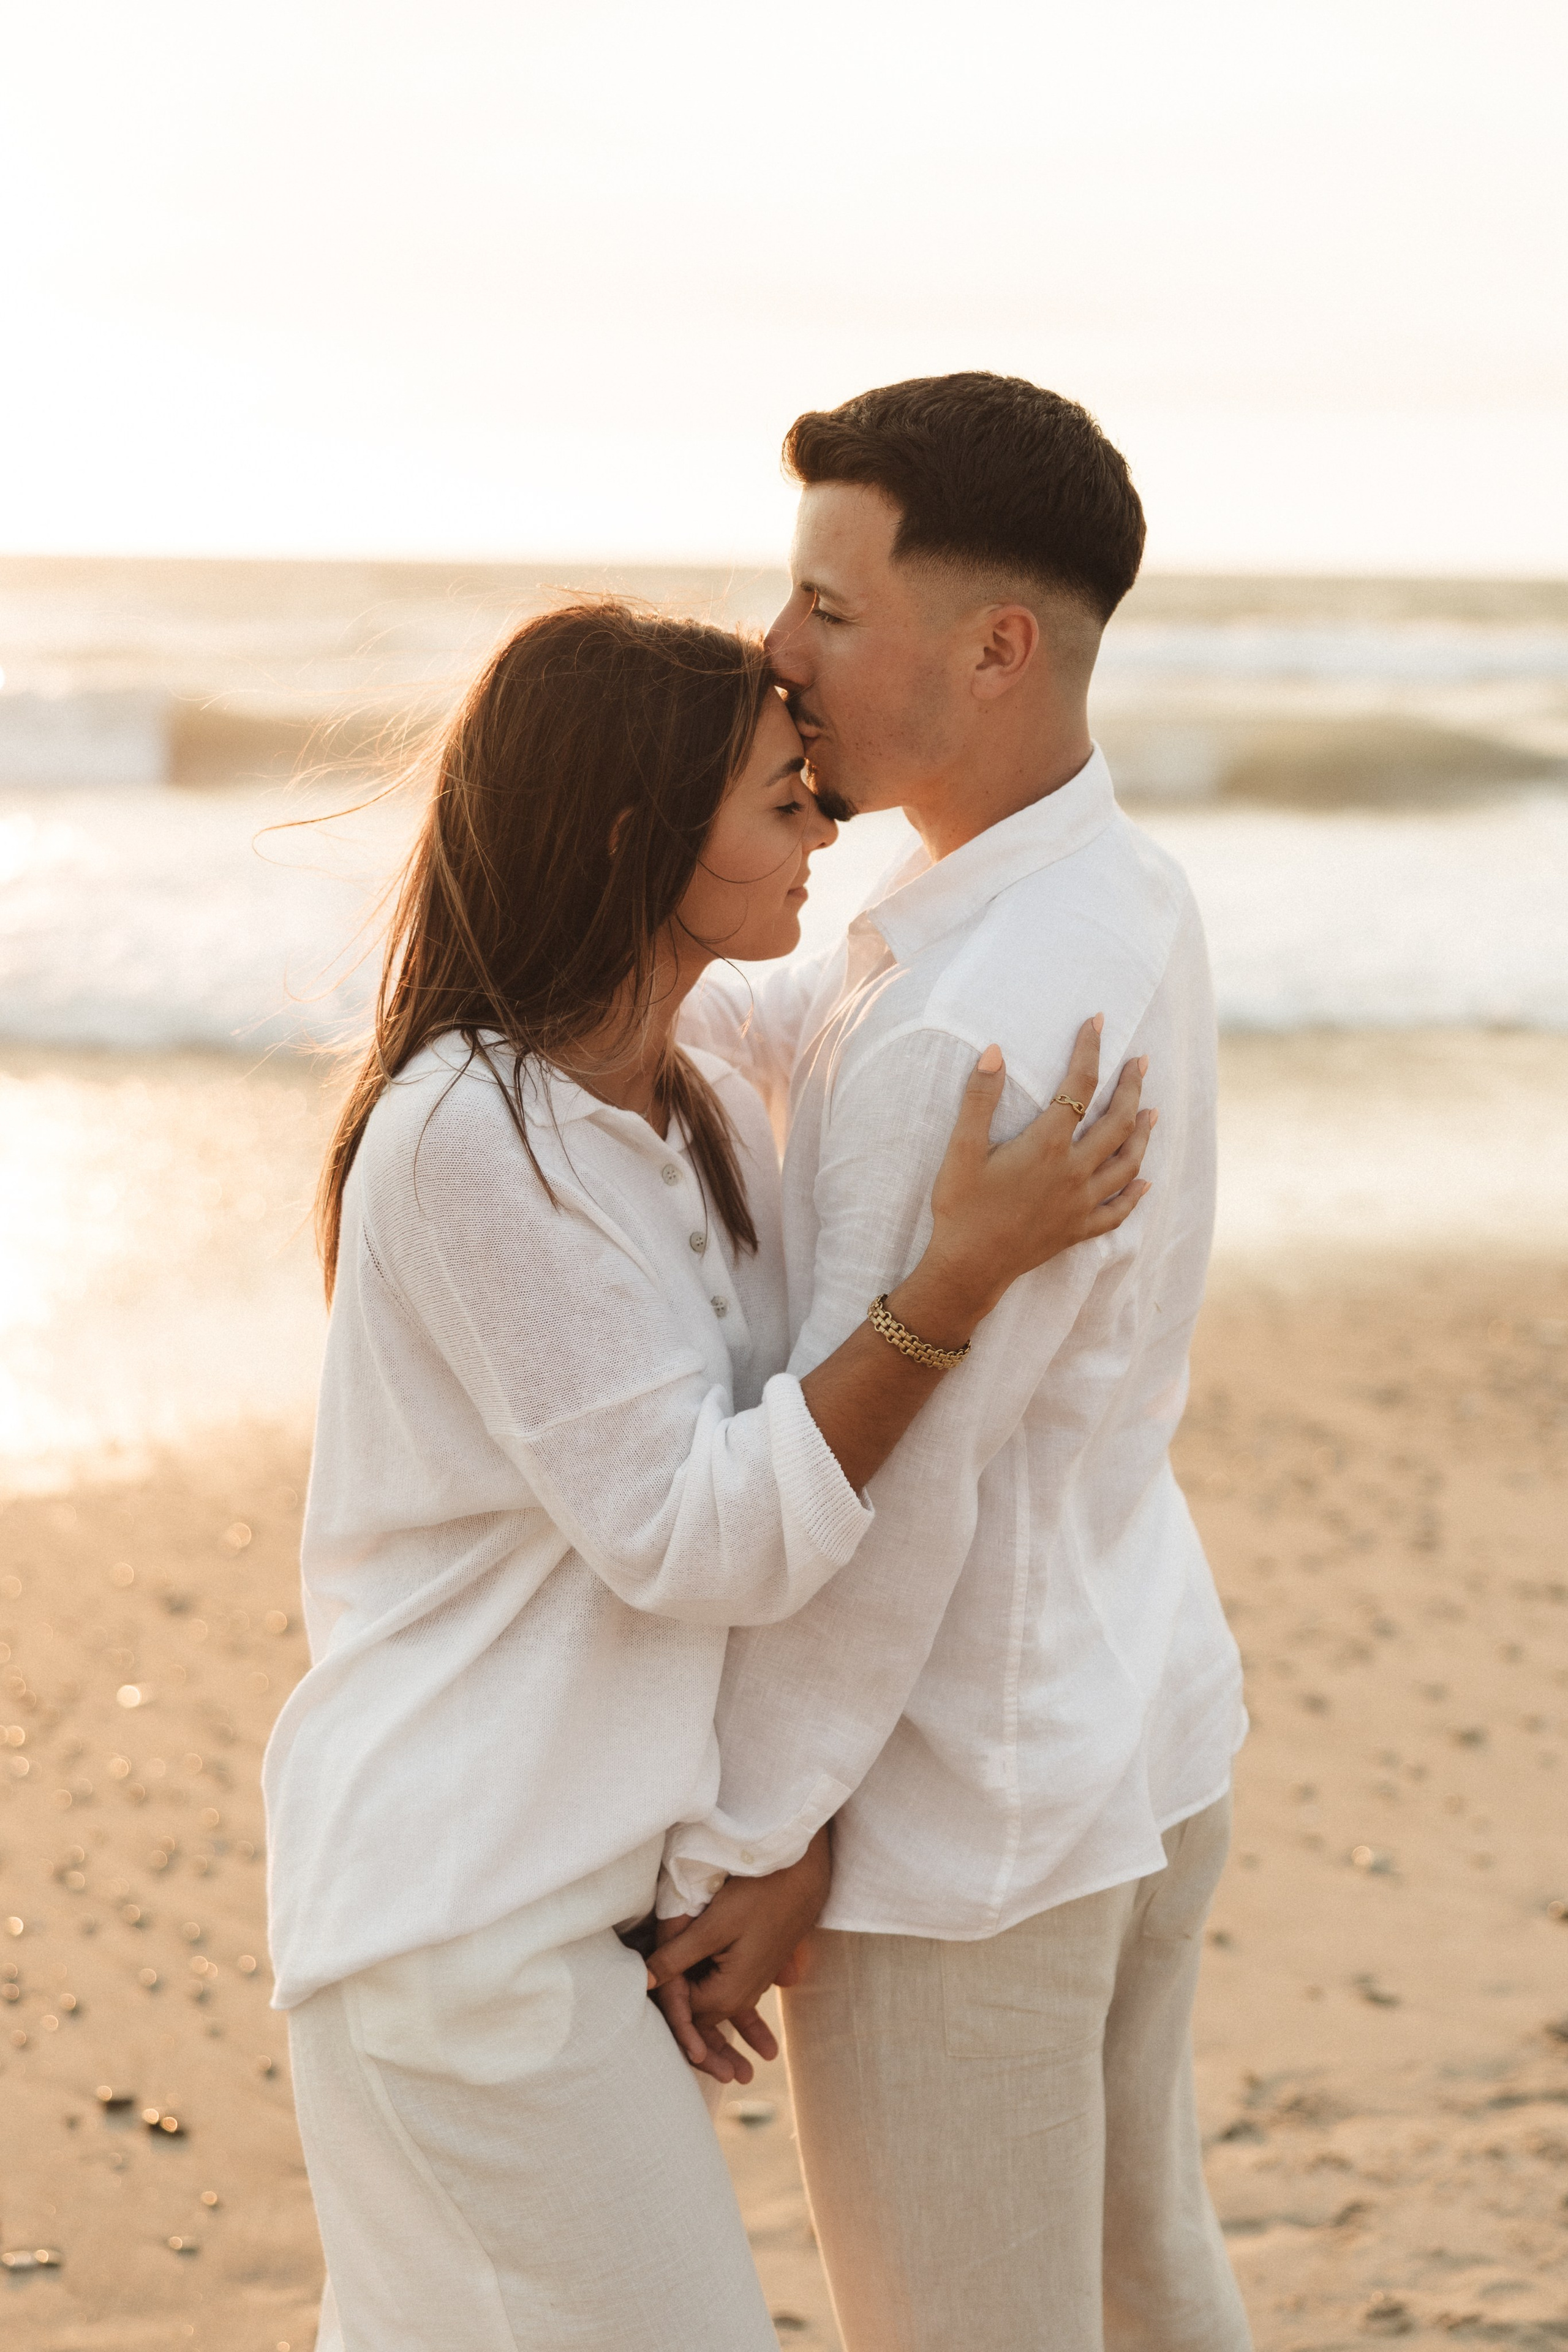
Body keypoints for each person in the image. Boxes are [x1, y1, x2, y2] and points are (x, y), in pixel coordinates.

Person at [260, 598, 1153, 2352]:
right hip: (458, 1920)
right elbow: (699, 1536)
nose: (827, 831)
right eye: (781, 800)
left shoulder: (696, 1107)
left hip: (558, 1907)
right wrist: (955, 1283)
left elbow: (945, 954)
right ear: (633, 838)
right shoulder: (469, 1136)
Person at [650, 374, 1254, 2352]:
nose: (777, 649)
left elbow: (889, 1489)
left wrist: (762, 1835)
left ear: (997, 645)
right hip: (1134, 1718)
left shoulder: (964, 1026)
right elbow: (787, 1028)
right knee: (1142, 2284)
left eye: (830, 604)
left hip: (964, 1826)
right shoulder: (1101, 889)